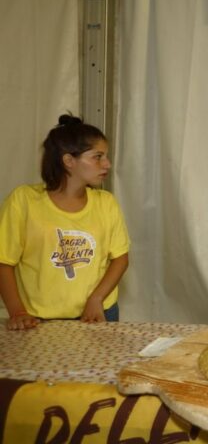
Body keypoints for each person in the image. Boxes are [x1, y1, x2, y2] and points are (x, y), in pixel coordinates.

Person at [0, 114, 130, 331]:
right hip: (36, 319)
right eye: (97, 156)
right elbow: (4, 262)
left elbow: (120, 259)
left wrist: (96, 299)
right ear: (69, 161)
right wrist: (18, 312)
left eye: (106, 156)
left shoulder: (106, 203)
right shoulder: (23, 200)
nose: (107, 164)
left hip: (98, 313)